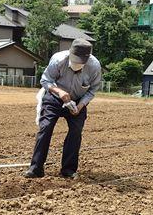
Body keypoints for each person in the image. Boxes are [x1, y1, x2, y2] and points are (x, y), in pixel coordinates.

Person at [24, 38, 101, 179]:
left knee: (76, 131)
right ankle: (36, 169)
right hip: (55, 97)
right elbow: (45, 80)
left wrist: (80, 105)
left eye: (79, 62)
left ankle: (68, 170)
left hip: (78, 101)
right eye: (74, 60)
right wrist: (59, 92)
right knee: (45, 127)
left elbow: (92, 90)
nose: (75, 64)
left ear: (87, 59)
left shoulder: (94, 67)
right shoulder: (58, 59)